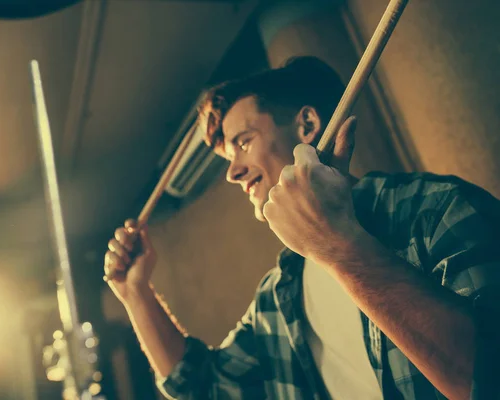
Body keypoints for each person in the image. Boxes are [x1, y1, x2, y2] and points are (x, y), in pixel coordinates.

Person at [102, 57, 499, 400]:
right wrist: (135, 293)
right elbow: (203, 389)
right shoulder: (280, 295)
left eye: (242, 142)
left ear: (307, 125)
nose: (232, 172)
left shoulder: (435, 210)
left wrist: (339, 247)